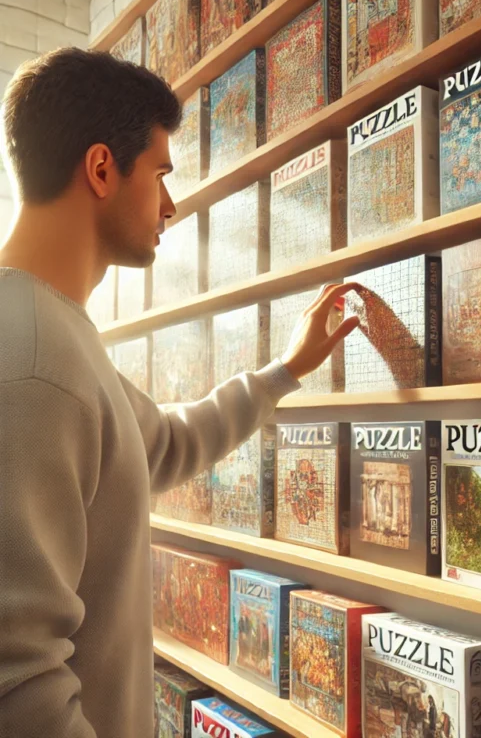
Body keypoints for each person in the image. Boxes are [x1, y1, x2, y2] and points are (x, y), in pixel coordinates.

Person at [0, 48, 360, 738]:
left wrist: (285, 370)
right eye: (161, 173)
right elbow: (19, 688)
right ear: (102, 169)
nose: (170, 203)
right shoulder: (33, 363)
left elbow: (163, 442)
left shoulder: (56, 336)